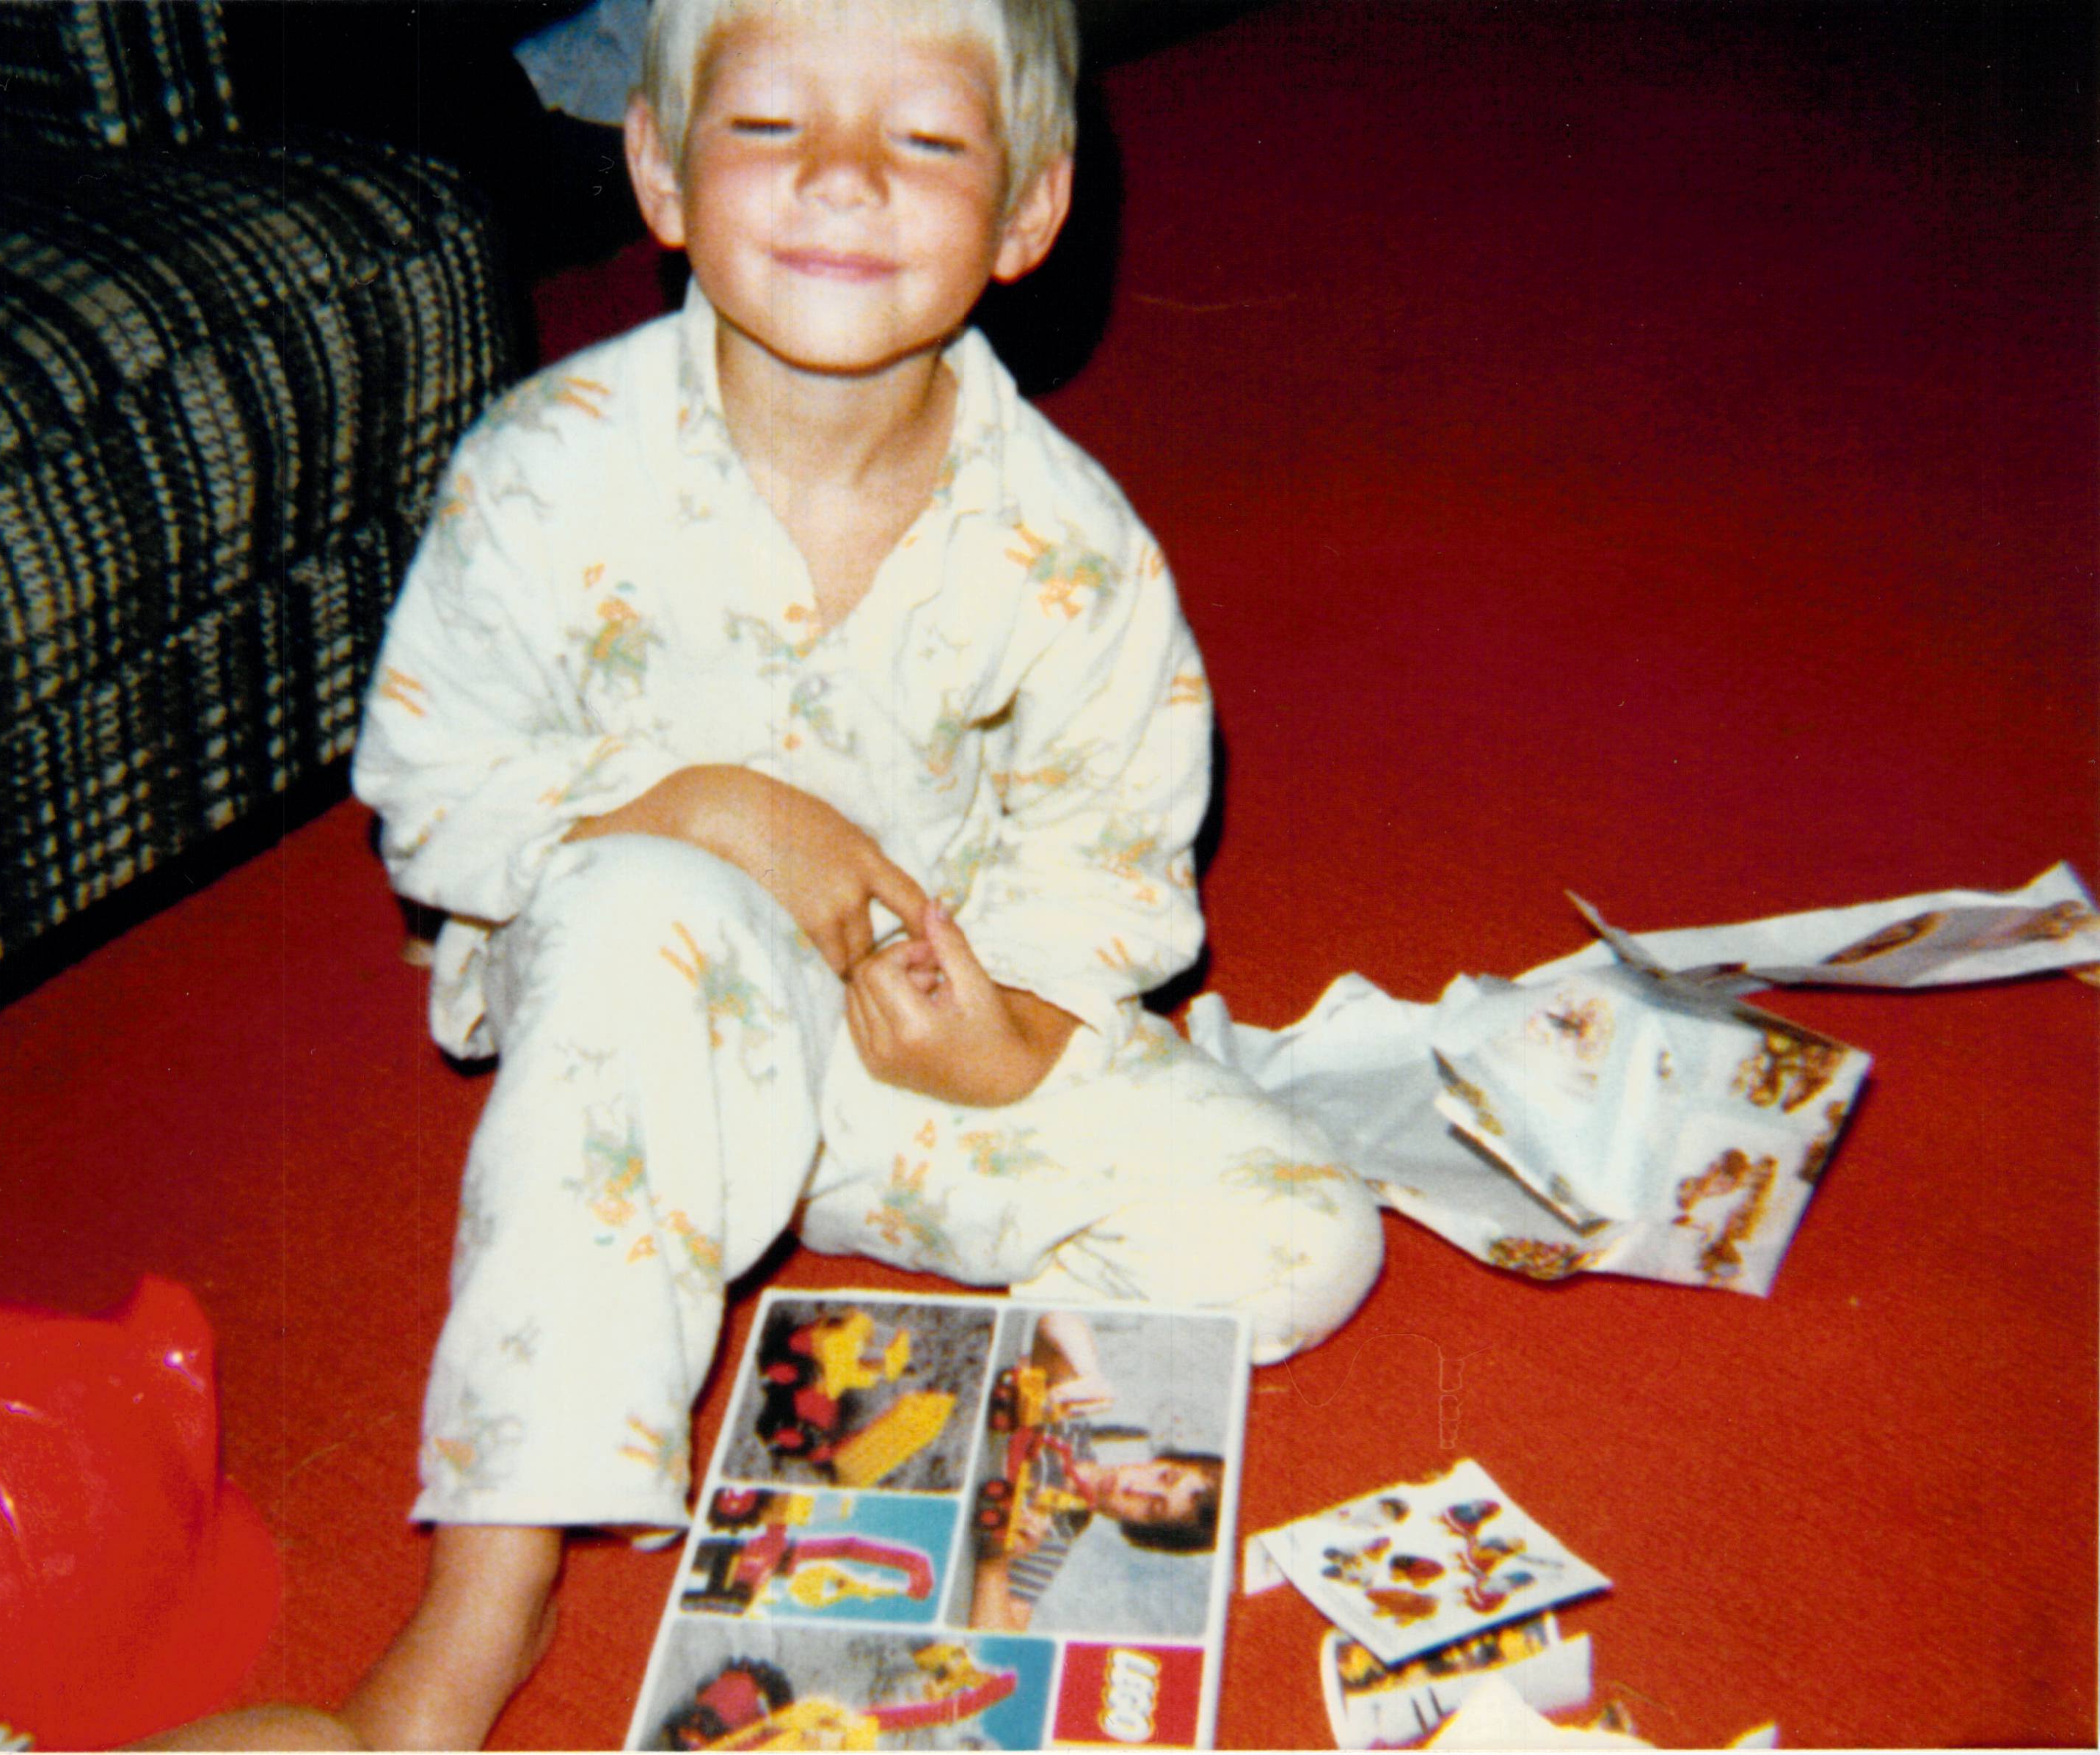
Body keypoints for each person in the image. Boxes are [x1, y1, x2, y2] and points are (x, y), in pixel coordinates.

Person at [343, 0, 1385, 1742]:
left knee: (1304, 1228)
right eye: (768, 127)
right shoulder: (541, 471)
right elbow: (432, 793)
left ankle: (804, 1283)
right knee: (641, 909)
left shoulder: (1068, 540)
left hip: (899, 1060)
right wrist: (718, 809)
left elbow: (1108, 852)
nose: (841, 177)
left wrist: (1010, 1032)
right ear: (658, 171)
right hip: (635, 1027)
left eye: (924, 139)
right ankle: (487, 1586)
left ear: (1027, 209)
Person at [967, 1312, 1223, 1632]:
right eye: (1164, 1477)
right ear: (1159, 1460)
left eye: (1153, 1507)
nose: (1137, 1490)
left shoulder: (1053, 1536)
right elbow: (1055, 1323)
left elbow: (997, 1641)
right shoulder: (1067, 1423)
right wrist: (1089, 1374)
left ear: (1139, 1528)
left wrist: (995, 1561)